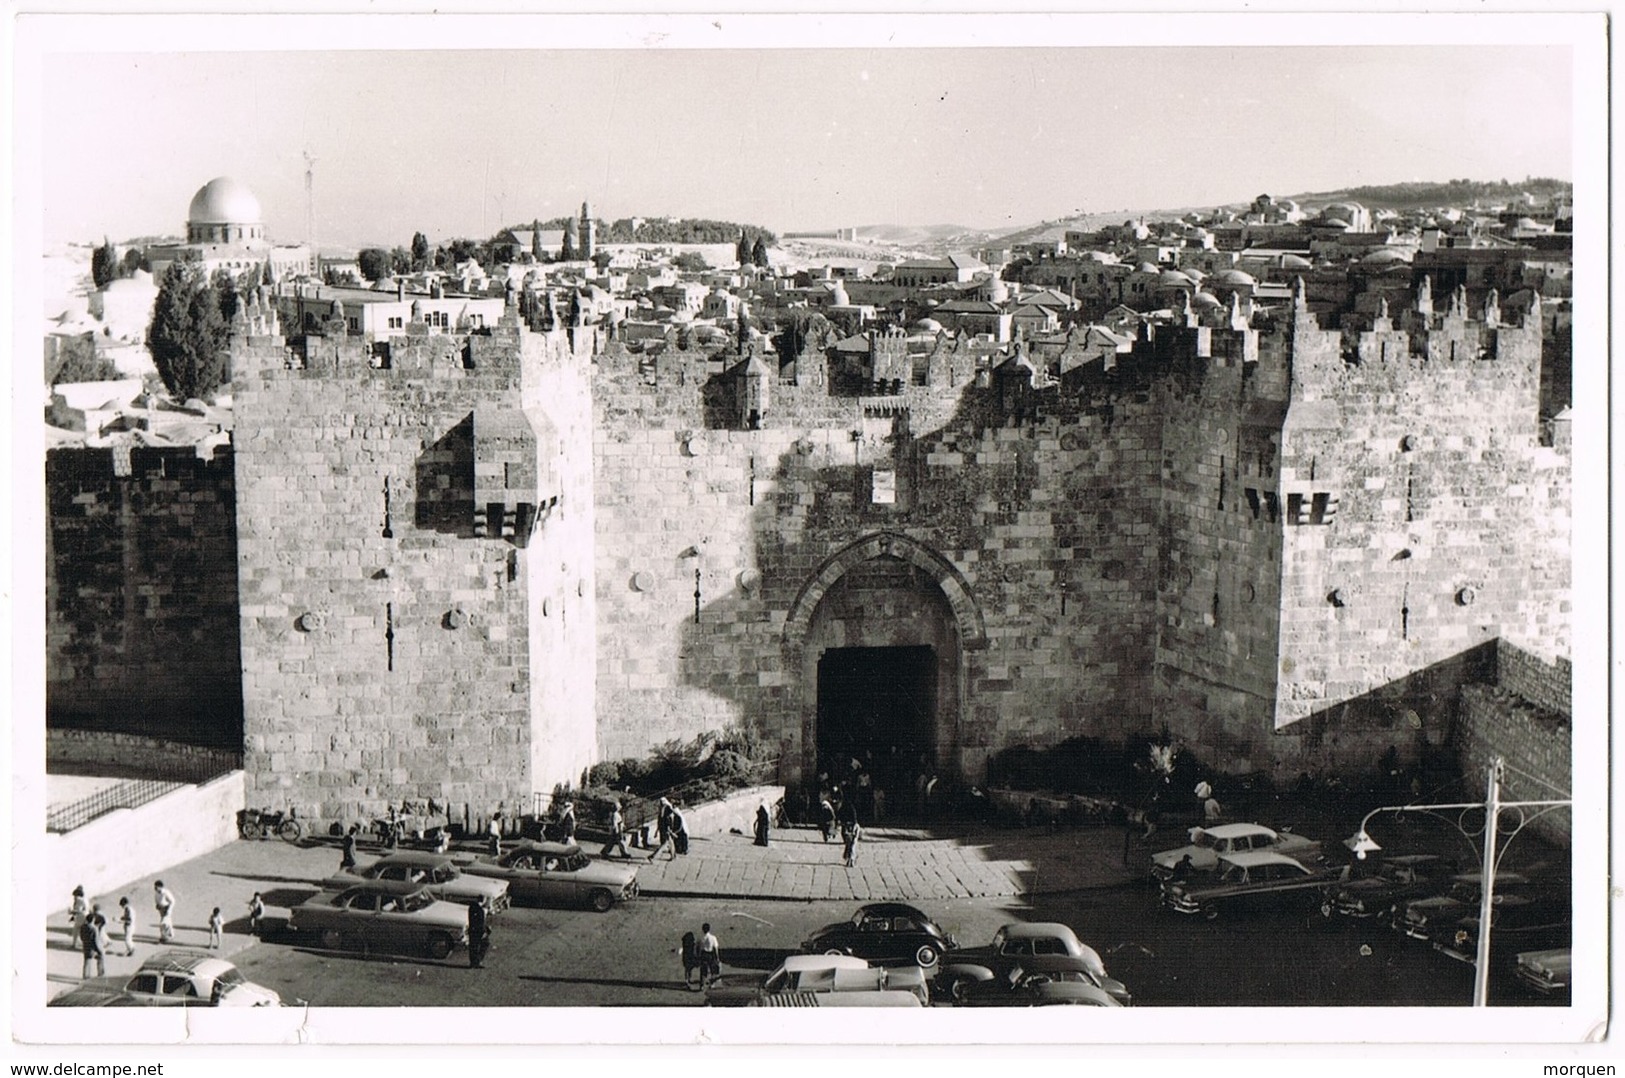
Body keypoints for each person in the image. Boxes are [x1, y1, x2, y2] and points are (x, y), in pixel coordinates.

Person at [79, 904, 107, 978]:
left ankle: (85, 976)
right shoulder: (94, 929)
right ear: (92, 920)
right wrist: (99, 950)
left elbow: (81, 937)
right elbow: (95, 940)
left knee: (87, 962)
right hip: (93, 948)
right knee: (100, 958)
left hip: (86, 946)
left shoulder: (83, 927)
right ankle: (101, 974)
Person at [697, 922, 720, 988]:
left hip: (703, 954)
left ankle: (701, 985)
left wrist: (698, 955)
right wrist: (717, 957)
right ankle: (712, 984)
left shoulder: (700, 938)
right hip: (710, 954)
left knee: (703, 970)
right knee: (712, 970)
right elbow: (715, 948)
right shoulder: (713, 938)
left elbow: (697, 947)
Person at [467, 901, 489, 968]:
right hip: (477, 931)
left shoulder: (473, 908)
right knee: (480, 945)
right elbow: (480, 922)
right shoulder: (478, 909)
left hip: (474, 930)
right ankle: (476, 961)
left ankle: (475, 962)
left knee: (474, 947)